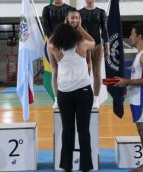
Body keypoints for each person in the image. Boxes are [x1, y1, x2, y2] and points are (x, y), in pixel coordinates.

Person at [48, 9, 95, 172]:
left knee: (67, 131)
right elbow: (93, 42)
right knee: (83, 130)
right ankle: (86, 166)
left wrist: (63, 25)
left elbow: (50, 41)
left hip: (64, 94)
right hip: (83, 92)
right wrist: (80, 27)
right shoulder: (81, 44)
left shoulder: (56, 48)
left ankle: (66, 166)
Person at [114, 23, 143, 172]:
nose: (130, 37)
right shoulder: (139, 54)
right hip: (136, 99)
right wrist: (126, 84)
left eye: (132, 34)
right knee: (141, 131)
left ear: (139, 36)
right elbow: (138, 77)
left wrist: (127, 82)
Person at [42, 0, 74, 108]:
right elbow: (46, 28)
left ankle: (69, 95)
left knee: (67, 70)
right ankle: (56, 98)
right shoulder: (47, 9)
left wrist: (66, 41)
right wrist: (54, 42)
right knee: (55, 69)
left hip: (67, 43)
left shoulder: (69, 9)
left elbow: (72, 26)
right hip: (53, 43)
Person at [79, 0, 110, 108]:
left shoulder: (101, 12)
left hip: (97, 45)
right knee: (86, 71)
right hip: (84, 45)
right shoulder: (80, 12)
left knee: (97, 72)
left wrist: (107, 47)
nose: (90, 0)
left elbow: (105, 30)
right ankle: (85, 96)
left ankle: (96, 99)